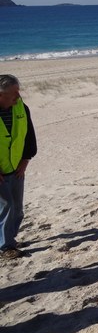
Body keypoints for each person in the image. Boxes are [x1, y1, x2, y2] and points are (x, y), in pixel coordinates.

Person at [0, 75, 37, 260]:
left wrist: (25, 161)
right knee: (5, 207)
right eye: (14, 92)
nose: (18, 95)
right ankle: (5, 247)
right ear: (0, 95)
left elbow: (29, 137)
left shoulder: (22, 108)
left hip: (17, 169)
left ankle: (9, 240)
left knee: (17, 209)